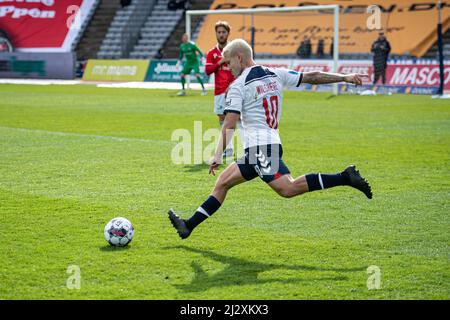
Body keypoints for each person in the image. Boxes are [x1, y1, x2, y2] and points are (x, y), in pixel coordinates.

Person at [168, 39, 373, 239]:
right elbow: (313, 76)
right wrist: (344, 77)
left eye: (229, 63)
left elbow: (229, 124)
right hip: (264, 146)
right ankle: (188, 226)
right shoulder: (276, 73)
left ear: (240, 58)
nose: (227, 68)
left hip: (261, 149)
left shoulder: (238, 86)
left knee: (288, 188)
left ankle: (345, 177)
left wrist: (217, 155)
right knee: (222, 183)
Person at [205, 21, 238, 158]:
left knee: (239, 119)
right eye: (219, 32)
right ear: (216, 34)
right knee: (222, 119)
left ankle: (247, 148)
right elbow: (207, 70)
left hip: (235, 90)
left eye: (224, 32)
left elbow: (240, 70)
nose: (221, 34)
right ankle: (229, 149)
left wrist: (233, 85)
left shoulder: (234, 51)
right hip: (219, 91)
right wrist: (220, 62)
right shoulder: (212, 53)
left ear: (228, 33)